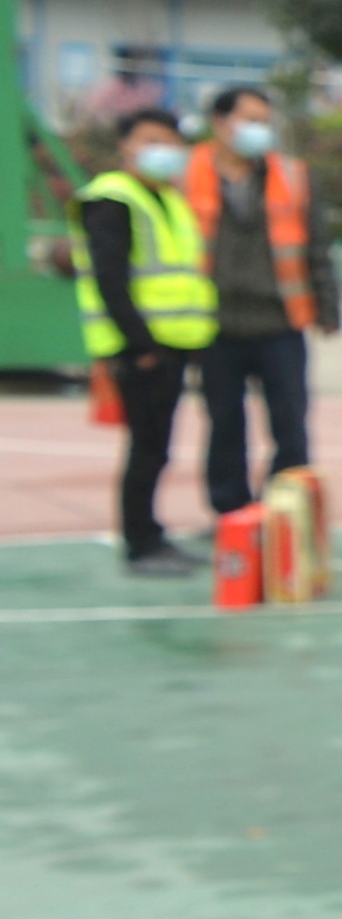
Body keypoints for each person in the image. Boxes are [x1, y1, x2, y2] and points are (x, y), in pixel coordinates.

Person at [182, 84, 339, 527]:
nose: (259, 130)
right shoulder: (187, 173)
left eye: (265, 121)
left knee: (291, 425)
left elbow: (316, 246)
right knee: (224, 425)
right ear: (219, 123)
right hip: (215, 325)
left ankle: (283, 514)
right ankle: (231, 516)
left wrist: (329, 309)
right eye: (250, 119)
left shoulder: (293, 175)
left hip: (280, 320)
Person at [79, 106, 215, 578]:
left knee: (157, 447)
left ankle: (151, 533)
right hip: (142, 347)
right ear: (126, 145)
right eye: (151, 140)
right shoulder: (112, 198)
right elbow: (110, 280)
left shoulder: (168, 199)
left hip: (175, 342)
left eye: (172, 142)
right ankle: (139, 544)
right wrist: (140, 345)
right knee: (146, 447)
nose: (164, 150)